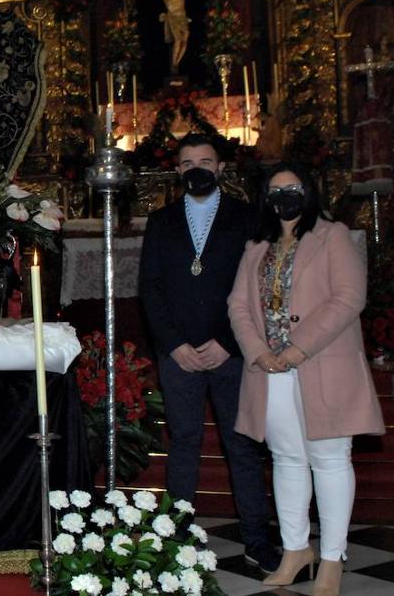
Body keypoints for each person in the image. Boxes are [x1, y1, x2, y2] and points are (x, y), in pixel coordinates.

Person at [228, 162, 384, 596]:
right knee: (286, 459)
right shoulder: (257, 245)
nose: (285, 197)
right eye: (276, 191)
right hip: (270, 370)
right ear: (266, 199)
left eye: (293, 188)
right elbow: (238, 305)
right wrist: (259, 352)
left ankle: (333, 558)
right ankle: (296, 550)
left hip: (323, 364)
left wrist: (299, 347)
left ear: (310, 192)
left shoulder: (332, 236)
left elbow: (349, 297)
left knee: (330, 459)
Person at [138, 133, 280, 573]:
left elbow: (256, 287)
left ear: (220, 168)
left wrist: (228, 342)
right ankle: (177, 537)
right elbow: (151, 289)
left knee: (242, 446)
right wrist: (175, 345)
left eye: (205, 160)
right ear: (178, 171)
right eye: (187, 162)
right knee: (183, 442)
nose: (196, 168)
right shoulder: (161, 222)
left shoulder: (248, 217)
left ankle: (257, 538)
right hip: (178, 355)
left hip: (232, 352)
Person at [127, 0, 216, 72]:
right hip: (173, 18)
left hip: (182, 18)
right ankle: (174, 63)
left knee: (185, 38)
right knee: (178, 40)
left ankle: (178, 61)